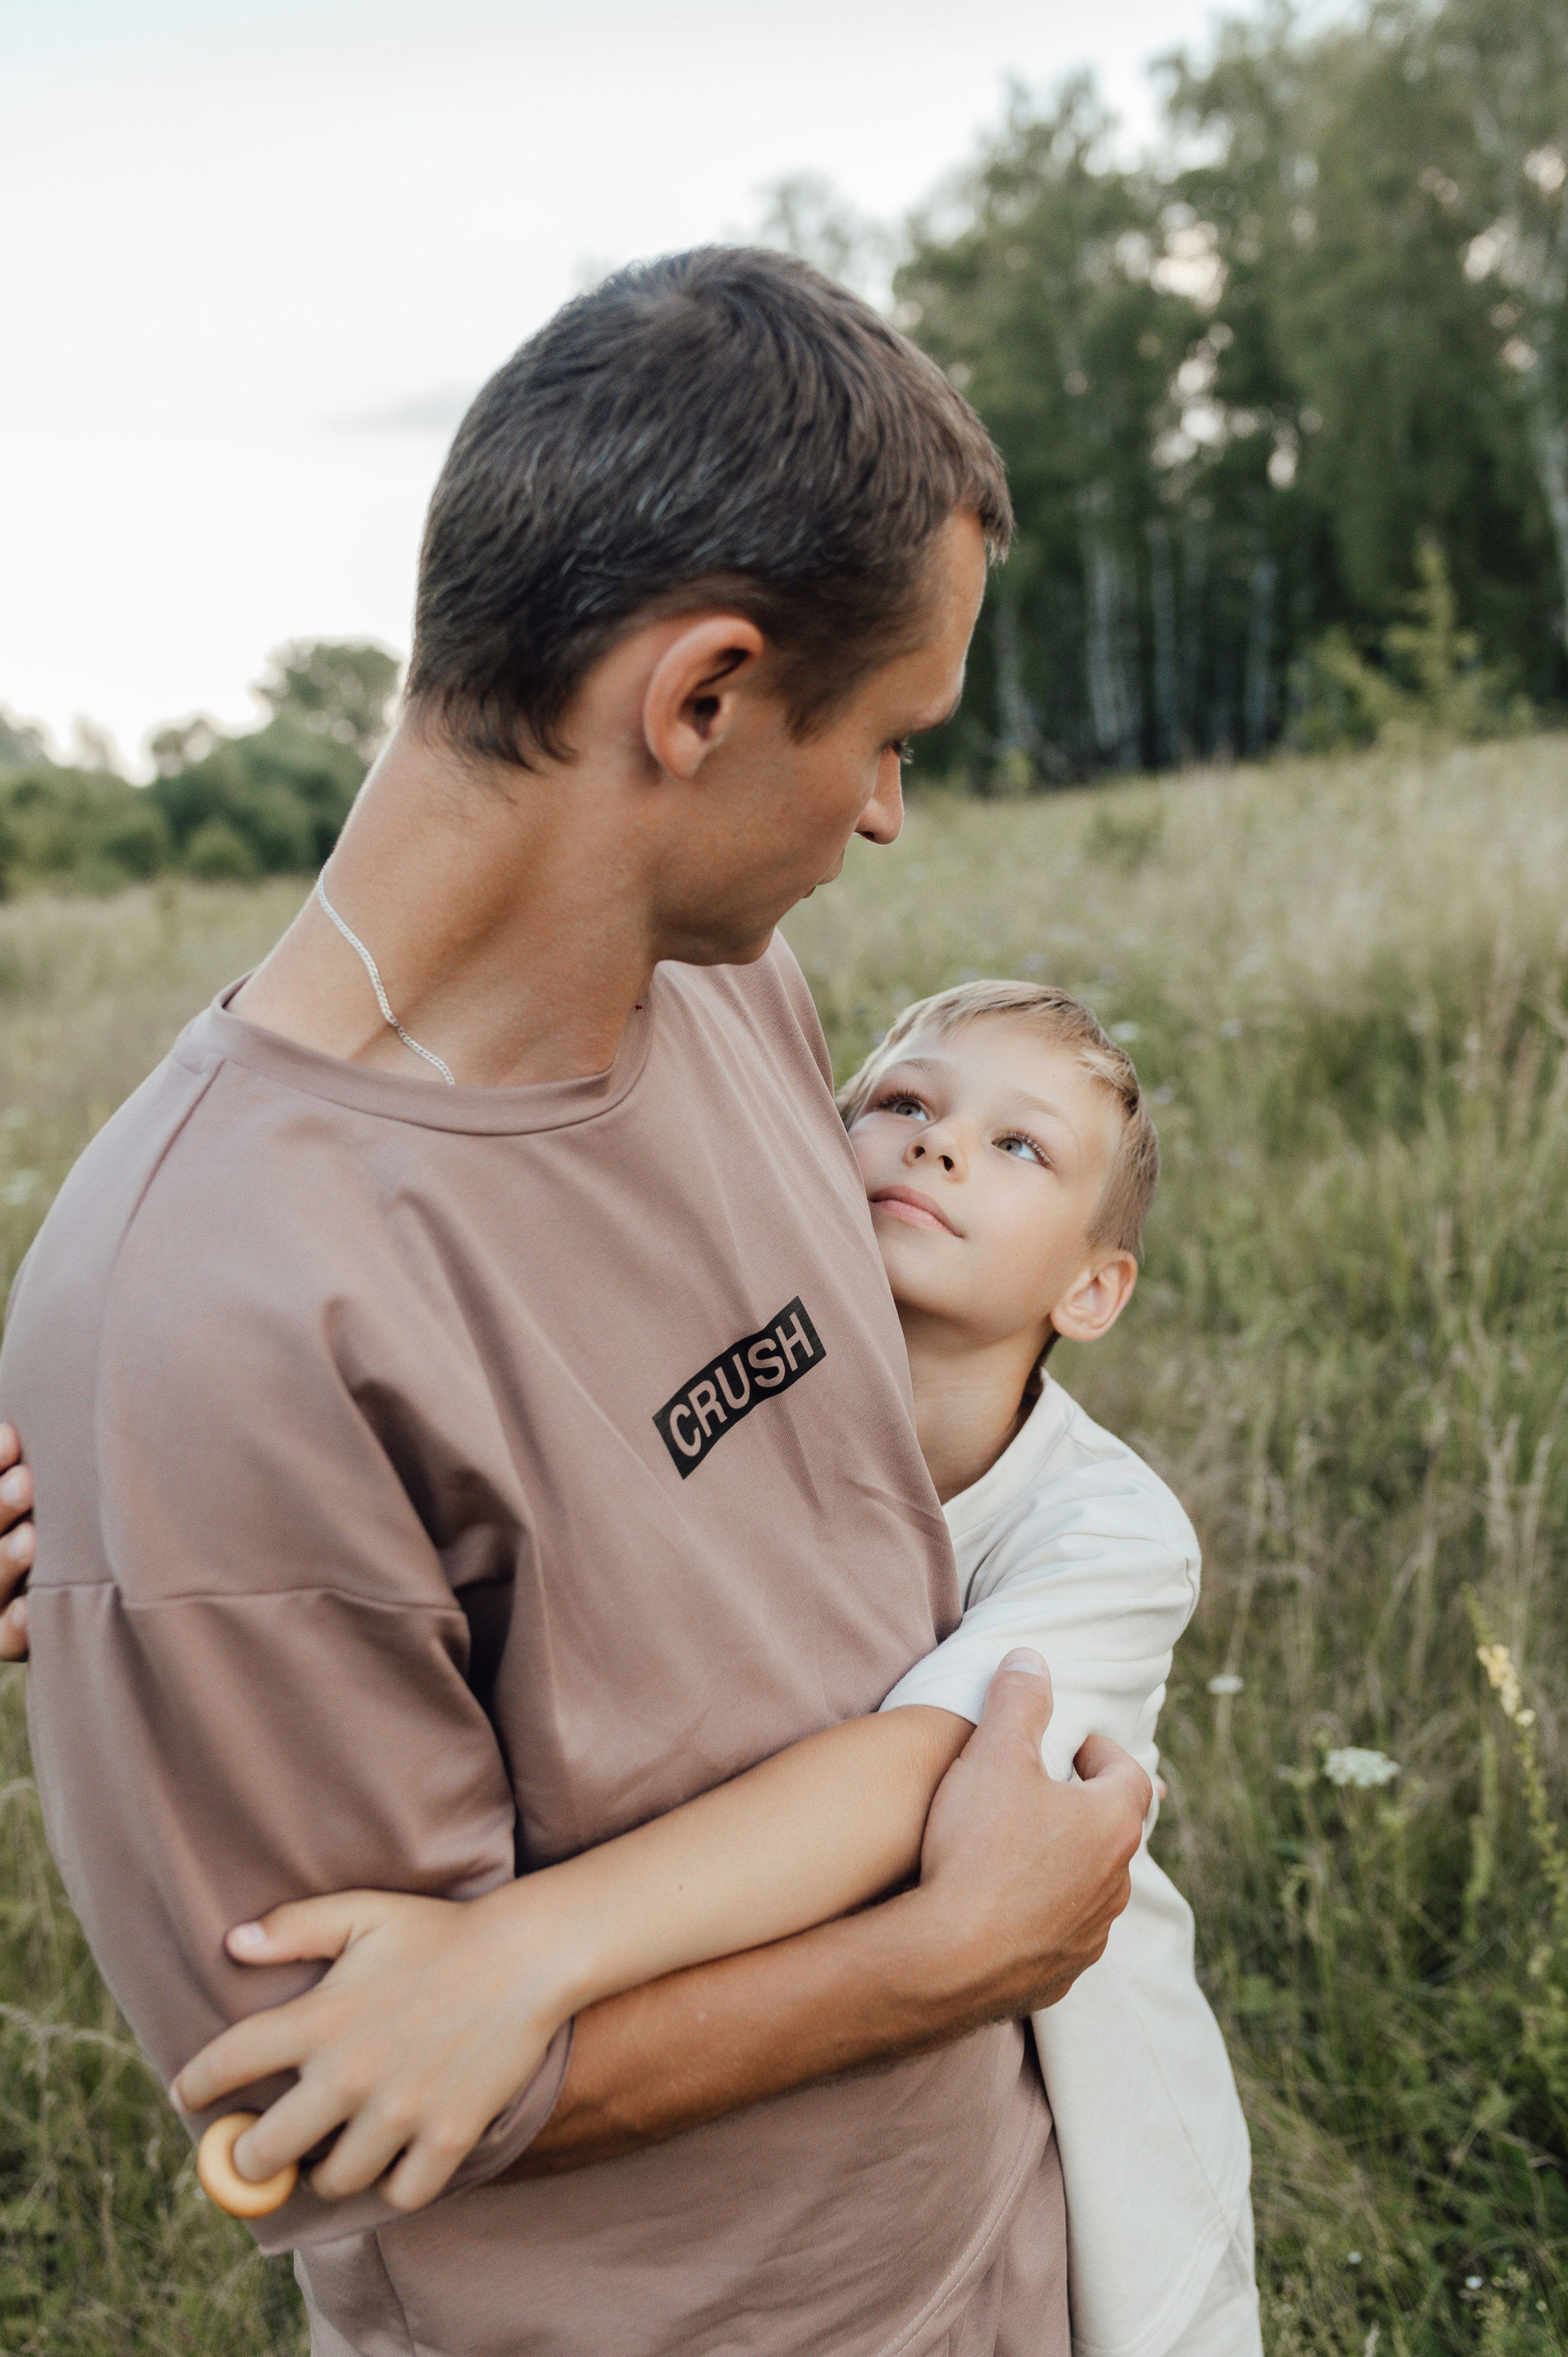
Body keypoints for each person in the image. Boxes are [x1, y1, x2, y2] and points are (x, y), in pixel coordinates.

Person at [0, 248, 1151, 2357]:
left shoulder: (741, 994)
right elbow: (314, 2111)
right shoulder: (215, 1317)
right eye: (887, 736)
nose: (890, 813)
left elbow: (769, 1520)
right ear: (701, 697)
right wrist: (949, 1952)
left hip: (1006, 2239)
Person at [169, 980, 1259, 2357]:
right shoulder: (722, 1395)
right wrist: (124, 1516)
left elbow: (914, 1774)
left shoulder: (1105, 1532)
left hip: (1065, 2102)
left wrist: (516, 1954)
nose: (936, 1147)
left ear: (1091, 1290)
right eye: (903, 1105)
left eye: (1016, 1146)